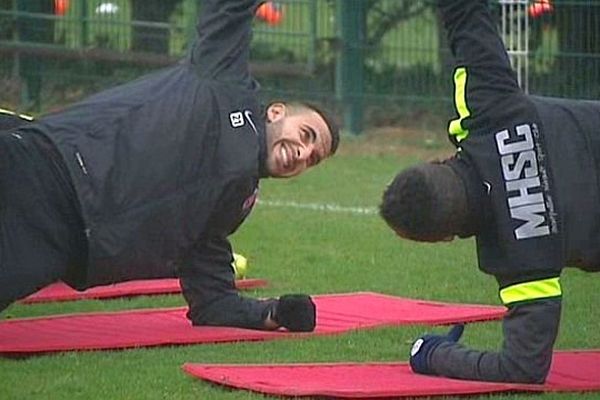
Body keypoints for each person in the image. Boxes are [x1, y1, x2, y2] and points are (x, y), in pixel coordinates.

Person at [0, 0, 340, 334]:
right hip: (45, 168)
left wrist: (274, 313)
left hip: (61, 245)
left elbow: (213, 299)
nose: (303, 153)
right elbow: (227, 9)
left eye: (312, 158)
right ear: (277, 112)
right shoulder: (225, 80)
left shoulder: (235, 201)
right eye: (307, 135)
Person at [380, 0, 599, 384]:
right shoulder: (489, 109)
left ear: (444, 238)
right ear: (438, 161)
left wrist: (434, 354)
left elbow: (522, 369)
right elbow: (465, 13)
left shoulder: (518, 259)